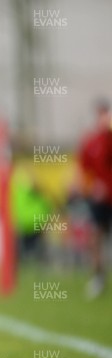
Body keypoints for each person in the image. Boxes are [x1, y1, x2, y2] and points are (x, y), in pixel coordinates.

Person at [76, 98, 112, 298]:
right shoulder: (91, 142)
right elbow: (83, 169)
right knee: (95, 236)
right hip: (101, 200)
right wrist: (86, 187)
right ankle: (99, 277)